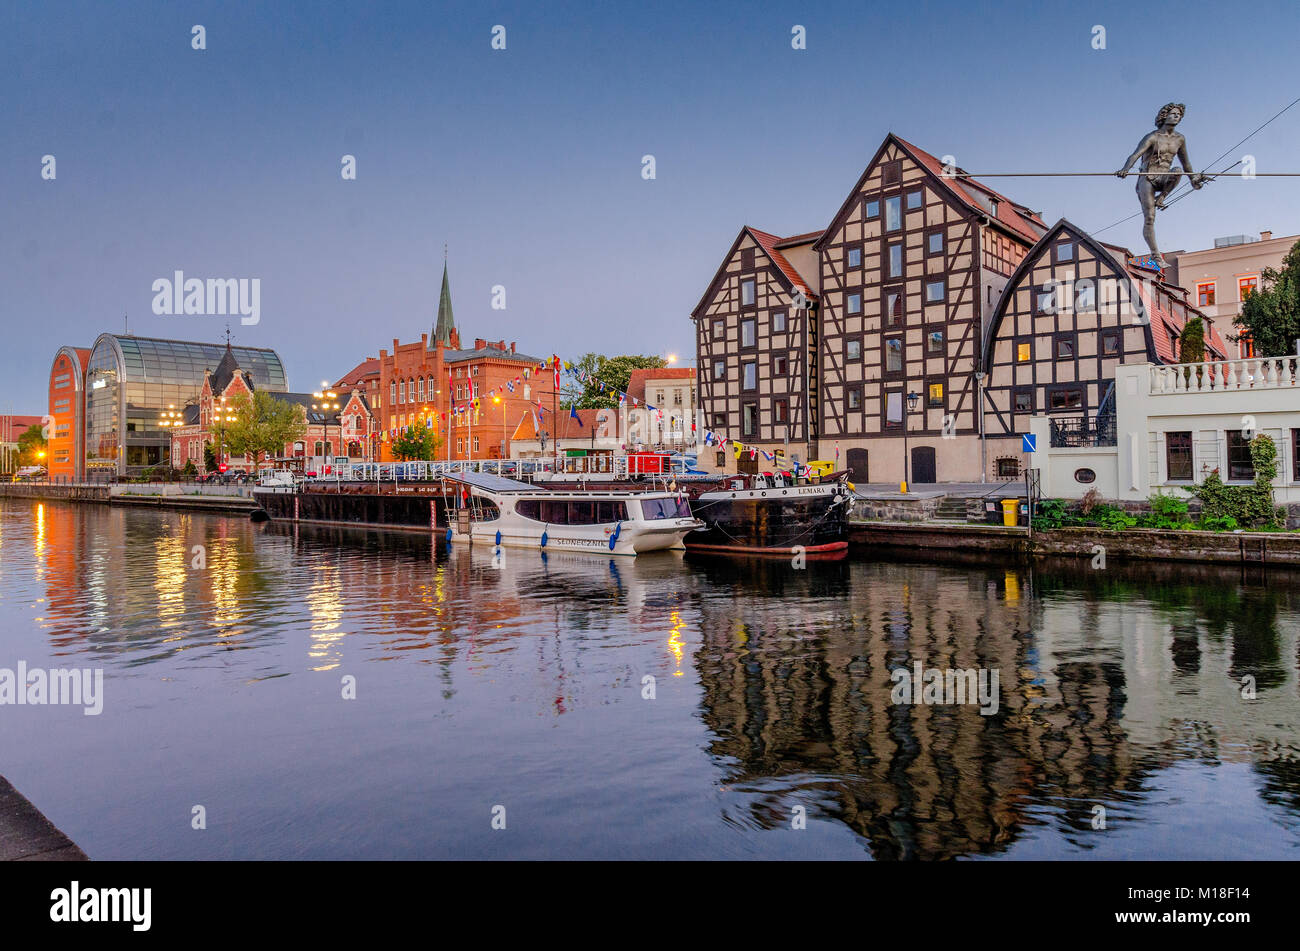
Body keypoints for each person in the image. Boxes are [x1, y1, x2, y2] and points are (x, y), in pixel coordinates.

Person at [1116, 102, 1205, 265]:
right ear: (1165, 116)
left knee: (1177, 170)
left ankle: (1162, 197)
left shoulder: (1180, 139)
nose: (1177, 116)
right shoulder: (1152, 137)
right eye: (1173, 113)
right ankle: (1155, 254)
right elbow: (1135, 155)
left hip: (1164, 177)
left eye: (1179, 114)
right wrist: (1125, 169)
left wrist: (1193, 179)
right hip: (1147, 178)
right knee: (1149, 217)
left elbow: (1186, 164)